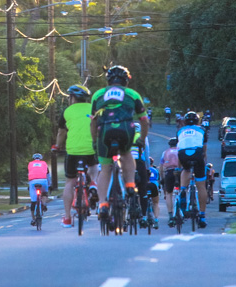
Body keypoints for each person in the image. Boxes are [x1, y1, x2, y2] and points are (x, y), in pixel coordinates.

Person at [91, 65, 149, 221]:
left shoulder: (98, 95)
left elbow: (93, 122)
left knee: (105, 169)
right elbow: (144, 121)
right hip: (125, 130)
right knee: (126, 153)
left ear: (109, 81)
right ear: (126, 81)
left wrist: (94, 142)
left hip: (104, 132)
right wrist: (141, 139)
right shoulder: (132, 94)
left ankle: (103, 204)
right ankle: (130, 184)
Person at [51, 84, 97, 228]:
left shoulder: (67, 111)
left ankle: (67, 218)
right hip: (91, 149)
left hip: (73, 152)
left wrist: (57, 146)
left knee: (70, 182)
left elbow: (61, 133)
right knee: (94, 167)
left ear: (72, 98)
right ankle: (94, 183)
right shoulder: (94, 109)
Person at [177, 111, 208, 228]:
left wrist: (178, 167)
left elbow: (179, 147)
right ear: (197, 121)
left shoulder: (180, 131)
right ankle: (202, 216)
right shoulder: (202, 130)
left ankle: (183, 190)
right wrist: (204, 163)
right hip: (197, 153)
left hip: (183, 153)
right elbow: (204, 151)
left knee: (186, 170)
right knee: (201, 186)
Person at [159, 137, 180, 227]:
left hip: (169, 172)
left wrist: (162, 178)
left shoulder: (165, 152)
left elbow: (161, 167)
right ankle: (182, 208)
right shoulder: (180, 151)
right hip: (179, 172)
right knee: (182, 189)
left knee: (169, 193)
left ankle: (170, 214)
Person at [27, 153, 50, 225]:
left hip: (33, 181)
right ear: (40, 158)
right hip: (43, 180)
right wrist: (49, 184)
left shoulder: (30, 164)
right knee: (44, 193)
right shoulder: (44, 163)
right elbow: (48, 174)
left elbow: (29, 174)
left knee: (33, 201)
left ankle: (33, 219)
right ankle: (44, 203)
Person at [147, 157, 161, 229]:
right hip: (154, 186)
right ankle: (156, 219)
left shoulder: (143, 169)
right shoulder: (155, 170)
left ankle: (143, 216)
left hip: (146, 185)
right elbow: (158, 180)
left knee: (141, 198)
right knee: (155, 203)